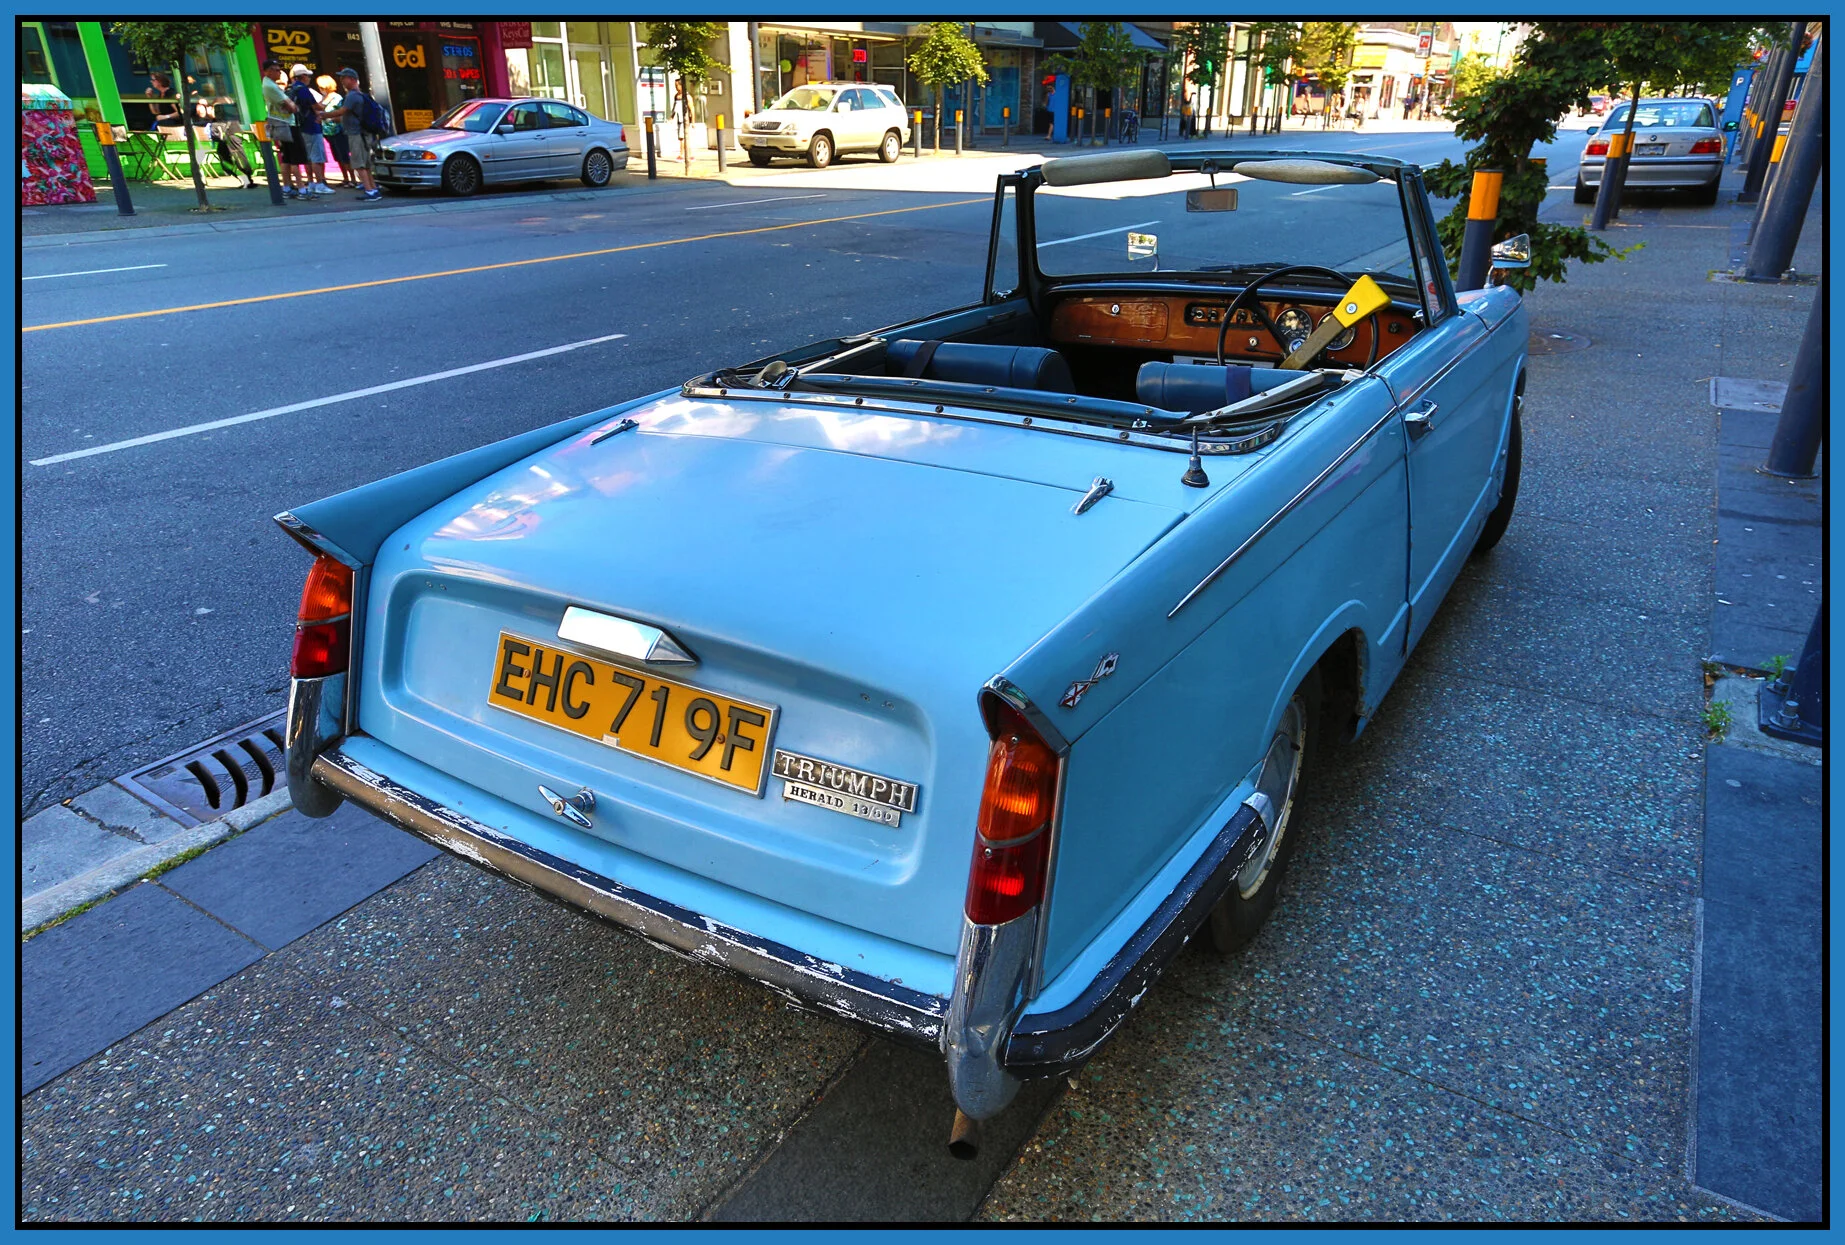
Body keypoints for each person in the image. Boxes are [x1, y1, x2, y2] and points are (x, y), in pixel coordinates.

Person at [321, 67, 383, 200]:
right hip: (364, 134)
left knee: (359, 164)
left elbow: (341, 111)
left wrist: (323, 115)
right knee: (365, 164)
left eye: (344, 78)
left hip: (356, 134)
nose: (342, 80)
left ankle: (369, 191)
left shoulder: (352, 96)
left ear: (353, 79)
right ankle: (373, 189)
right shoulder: (361, 95)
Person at [261, 57, 305, 198]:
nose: (279, 73)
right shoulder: (271, 86)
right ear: (268, 71)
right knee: (294, 158)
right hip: (287, 124)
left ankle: (287, 187)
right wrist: (293, 106)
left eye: (280, 70)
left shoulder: (270, 85)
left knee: (286, 158)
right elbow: (292, 107)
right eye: (276, 70)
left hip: (282, 123)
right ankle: (301, 189)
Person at [288, 63, 334, 196]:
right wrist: (326, 100)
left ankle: (311, 182)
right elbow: (317, 107)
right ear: (302, 76)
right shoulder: (304, 90)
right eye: (308, 76)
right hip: (311, 126)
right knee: (317, 157)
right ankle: (320, 184)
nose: (309, 78)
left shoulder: (291, 89)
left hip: (300, 126)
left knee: (308, 157)